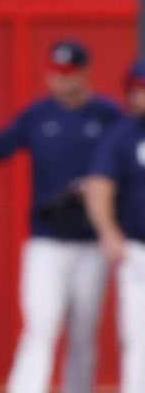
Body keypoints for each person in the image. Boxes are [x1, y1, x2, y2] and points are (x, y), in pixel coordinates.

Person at [0, 40, 123, 393]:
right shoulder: (38, 115)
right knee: (40, 326)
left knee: (83, 333)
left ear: (84, 72)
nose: (60, 79)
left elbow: (125, 167)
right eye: (55, 71)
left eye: (67, 72)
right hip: (46, 240)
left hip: (91, 241)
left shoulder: (107, 116)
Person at [84, 59, 145, 393]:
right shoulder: (122, 134)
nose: (136, 98)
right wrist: (109, 233)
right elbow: (100, 186)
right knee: (137, 337)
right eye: (132, 91)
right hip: (137, 250)